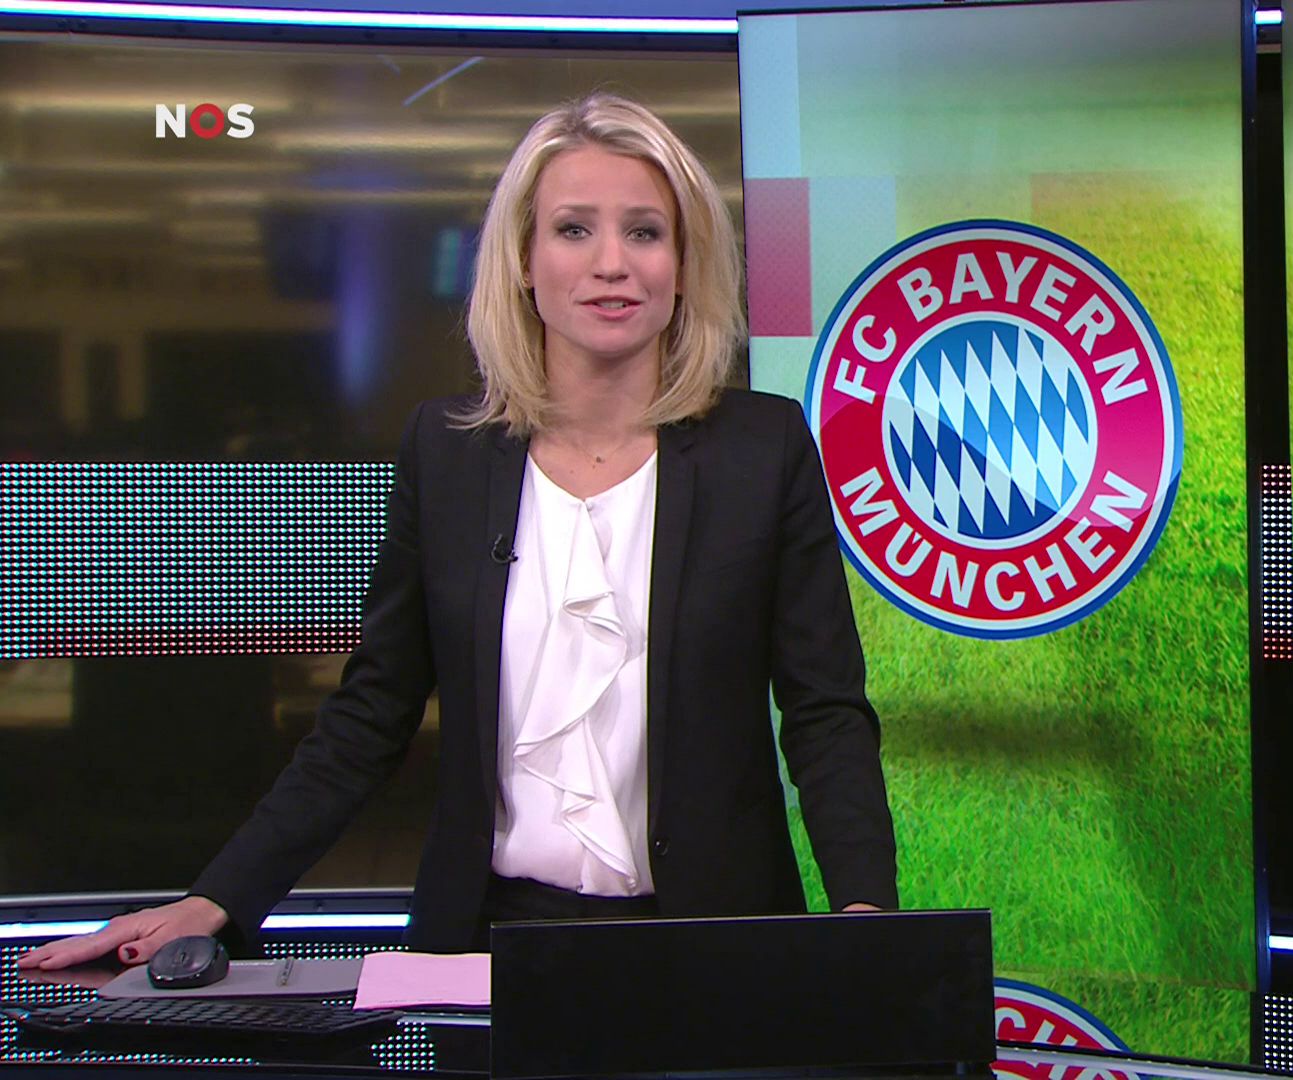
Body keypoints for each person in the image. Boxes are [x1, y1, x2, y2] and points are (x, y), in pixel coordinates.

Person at [19, 93, 896, 969]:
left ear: (683, 262)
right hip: (484, 945)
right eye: (574, 230)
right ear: (523, 259)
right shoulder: (447, 453)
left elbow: (823, 713)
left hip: (716, 943)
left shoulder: (764, 449)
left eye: (644, 232)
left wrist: (867, 916)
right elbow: (371, 714)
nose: (612, 264)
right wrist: (219, 895)